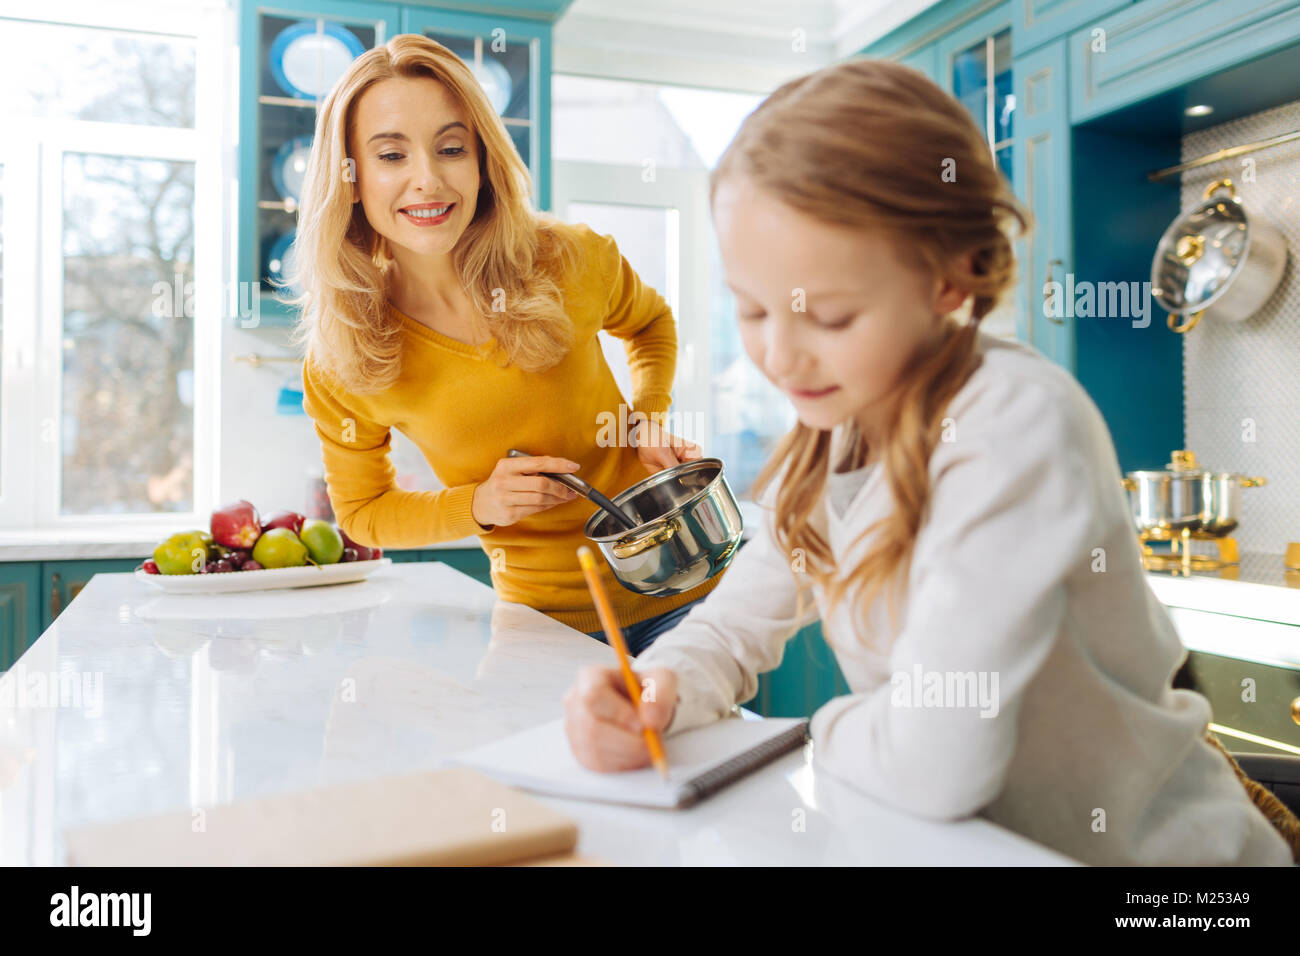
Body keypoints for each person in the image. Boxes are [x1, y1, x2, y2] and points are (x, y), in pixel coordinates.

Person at [560, 58, 1294, 866]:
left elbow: (937, 761)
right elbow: (735, 629)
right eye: (752, 309)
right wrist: (656, 692)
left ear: (950, 278)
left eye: (830, 315)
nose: (779, 353)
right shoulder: (830, 435)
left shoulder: (1013, 422)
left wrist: (816, 730)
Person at [291, 34, 724, 641]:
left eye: (450, 148)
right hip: (543, 625)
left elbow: (651, 324)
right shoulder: (342, 355)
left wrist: (644, 418)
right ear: (351, 178)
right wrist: (478, 505)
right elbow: (364, 515)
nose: (428, 181)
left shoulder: (568, 258)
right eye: (391, 156)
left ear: (481, 160)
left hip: (689, 593)